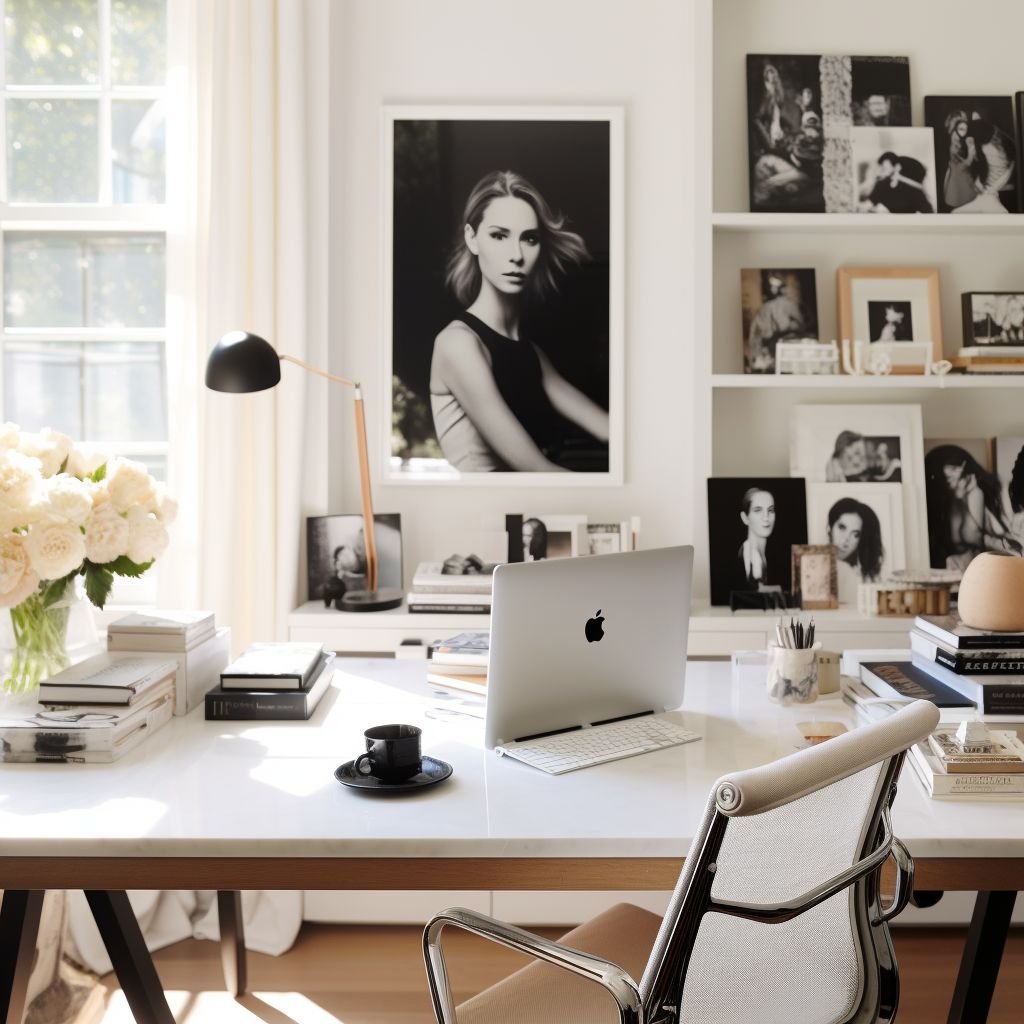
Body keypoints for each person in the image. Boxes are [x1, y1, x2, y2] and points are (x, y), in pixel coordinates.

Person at [430, 170, 610, 472]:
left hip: (525, 510)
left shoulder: (530, 354)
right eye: (499, 236)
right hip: (481, 512)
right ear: (472, 239)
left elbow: (610, 432)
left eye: (529, 239)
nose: (516, 255)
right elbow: (538, 470)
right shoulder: (457, 344)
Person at [924, 445, 1021, 571]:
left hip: (989, 571)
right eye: (947, 477)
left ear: (964, 466)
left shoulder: (981, 494)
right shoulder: (946, 503)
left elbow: (1009, 544)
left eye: (954, 470)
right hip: (963, 573)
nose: (950, 477)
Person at [746, 272, 810, 372]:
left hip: (775, 346)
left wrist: (756, 355)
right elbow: (802, 324)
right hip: (781, 345)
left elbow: (754, 333)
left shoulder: (768, 307)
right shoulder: (783, 304)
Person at [953, 119, 1017, 214]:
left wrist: (995, 187)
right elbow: (978, 167)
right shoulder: (979, 145)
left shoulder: (1004, 145)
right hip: (987, 192)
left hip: (1000, 191)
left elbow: (1011, 167)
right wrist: (977, 181)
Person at [827, 497, 884, 582]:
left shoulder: (863, 577)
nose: (846, 539)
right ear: (830, 528)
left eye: (856, 534)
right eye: (842, 527)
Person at [858, 152, 934, 213]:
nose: (880, 174)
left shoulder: (884, 185)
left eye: (884, 169)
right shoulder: (882, 185)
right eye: (882, 169)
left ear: (897, 168)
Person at [733, 487, 777, 593]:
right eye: (758, 510)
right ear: (745, 518)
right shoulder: (747, 556)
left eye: (770, 510)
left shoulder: (772, 555)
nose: (766, 517)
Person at [943, 111, 977, 209]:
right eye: (961, 129)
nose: (963, 132)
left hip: (964, 179)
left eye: (965, 129)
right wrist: (970, 154)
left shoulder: (963, 141)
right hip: (958, 182)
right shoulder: (953, 146)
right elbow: (961, 166)